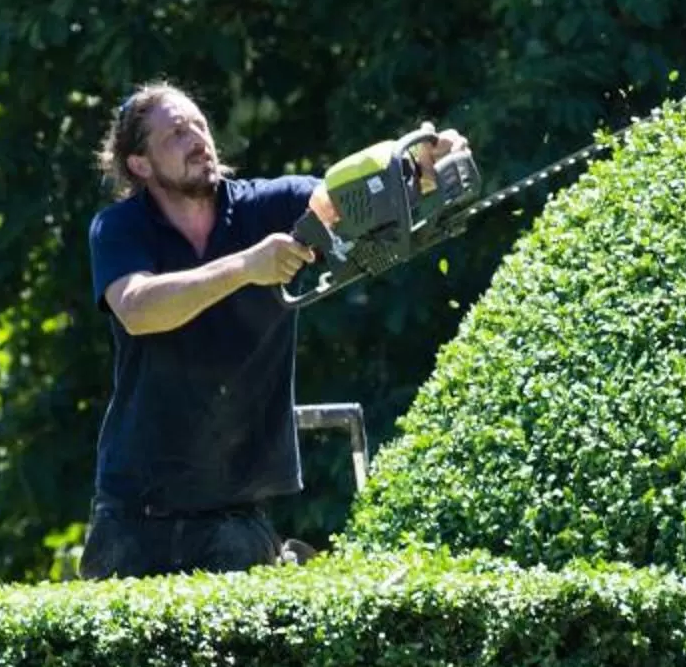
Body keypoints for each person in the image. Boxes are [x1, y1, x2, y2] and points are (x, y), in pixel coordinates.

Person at [80, 82, 464, 580]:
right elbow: (137, 308)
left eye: (199, 125)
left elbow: (349, 198)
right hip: (134, 518)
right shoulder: (119, 228)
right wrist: (245, 266)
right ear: (140, 164)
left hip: (238, 518)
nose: (198, 138)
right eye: (176, 133)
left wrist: (418, 167)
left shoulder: (268, 205)